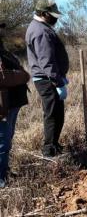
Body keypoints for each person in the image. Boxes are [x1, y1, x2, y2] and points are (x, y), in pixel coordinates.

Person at [25, 0, 69, 157]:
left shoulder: (41, 27)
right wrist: (58, 82)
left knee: (57, 113)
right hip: (47, 80)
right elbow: (46, 61)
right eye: (53, 15)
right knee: (52, 115)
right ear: (43, 14)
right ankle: (49, 152)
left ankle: (54, 146)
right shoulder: (40, 31)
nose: (56, 18)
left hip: (49, 78)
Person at [0, 22, 29, 188]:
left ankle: (4, 172)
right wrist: (23, 75)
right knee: (2, 142)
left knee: (7, 139)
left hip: (10, 104)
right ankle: (1, 180)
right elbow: (3, 77)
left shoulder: (3, 49)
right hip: (3, 106)